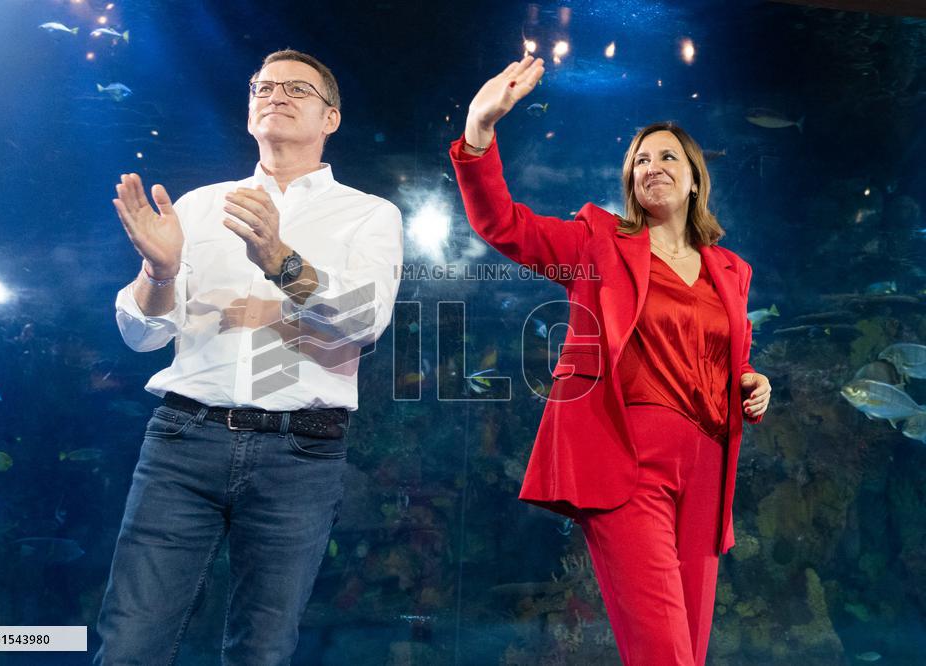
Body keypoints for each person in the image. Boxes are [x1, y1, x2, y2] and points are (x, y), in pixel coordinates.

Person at [449, 56, 771, 666]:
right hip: (628, 462)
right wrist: (479, 131)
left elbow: (731, 359)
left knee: (690, 651)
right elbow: (504, 225)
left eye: (667, 156)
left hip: (707, 470)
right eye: (640, 160)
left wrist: (754, 382)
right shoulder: (598, 243)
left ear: (695, 179)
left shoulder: (733, 271)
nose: (652, 166)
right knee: (664, 652)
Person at [95, 49, 403, 665]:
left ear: (331, 118)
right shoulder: (199, 205)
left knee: (260, 651)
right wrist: (159, 271)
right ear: (249, 107)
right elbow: (142, 336)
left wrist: (280, 263)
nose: (277, 95)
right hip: (184, 442)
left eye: (298, 89)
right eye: (265, 86)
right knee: (130, 643)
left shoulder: (370, 214)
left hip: (300, 453)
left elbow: (366, 321)